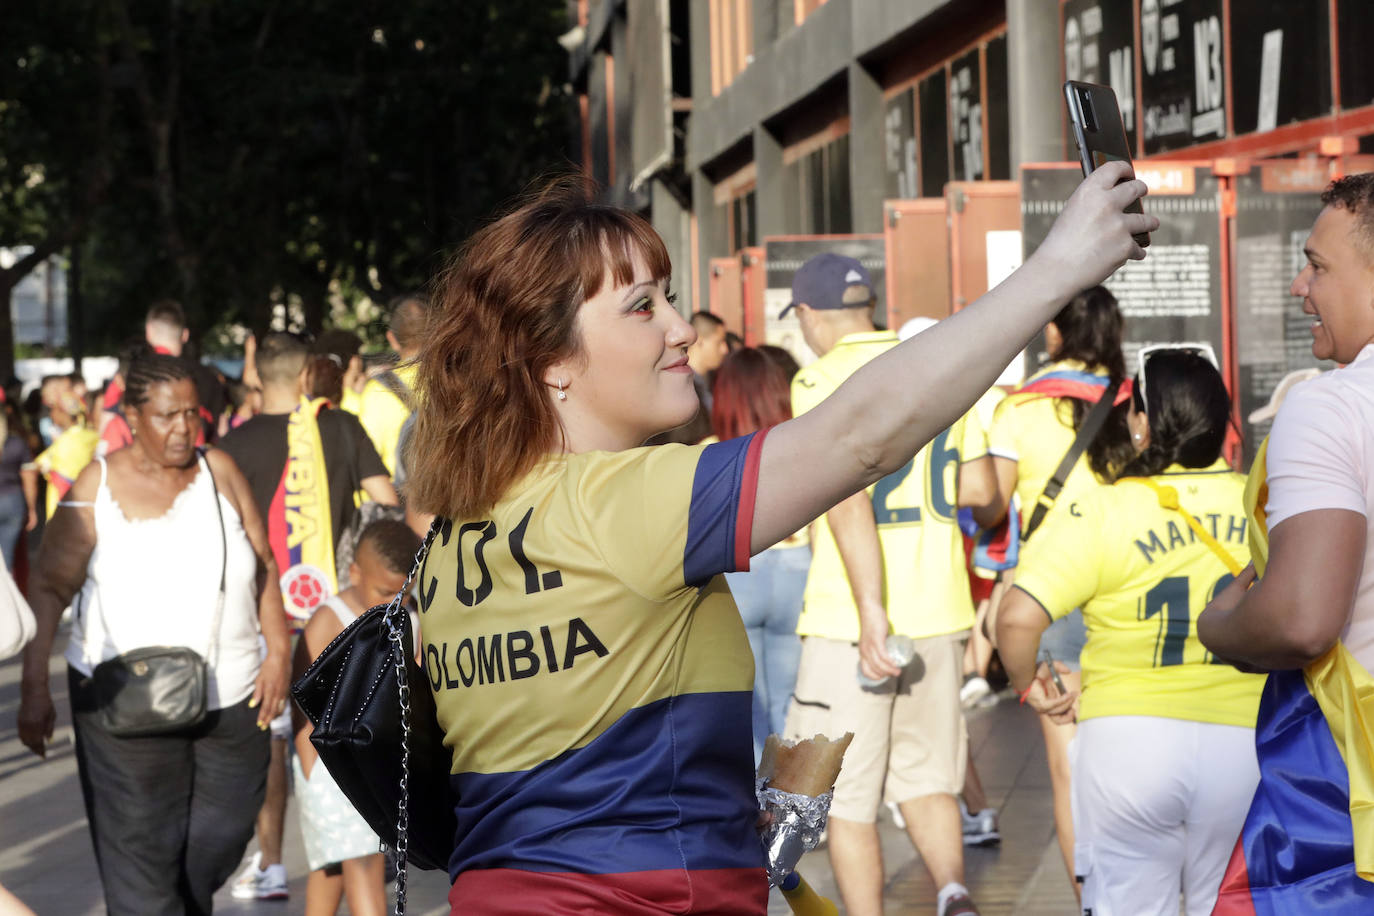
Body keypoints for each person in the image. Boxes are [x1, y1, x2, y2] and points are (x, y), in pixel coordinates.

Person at [402, 167, 1151, 914]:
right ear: (552, 362)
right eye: (641, 307)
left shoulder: (451, 541)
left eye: (668, 295)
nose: (681, 327)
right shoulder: (625, 498)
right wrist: (1058, 268)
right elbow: (860, 438)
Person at [16, 353, 291, 915]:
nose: (184, 428)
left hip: (233, 695)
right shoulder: (97, 482)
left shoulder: (220, 471)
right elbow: (48, 588)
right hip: (122, 703)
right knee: (142, 864)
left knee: (220, 836)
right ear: (133, 416)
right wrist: (34, 687)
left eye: (193, 413)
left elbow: (263, 566)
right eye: (168, 415)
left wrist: (280, 651)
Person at [998, 347, 1263, 915]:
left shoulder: (1104, 509)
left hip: (1127, 741)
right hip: (1245, 742)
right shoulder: (1262, 505)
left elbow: (1018, 616)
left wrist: (1032, 686)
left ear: (1142, 422)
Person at [778, 254, 1001, 916]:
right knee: (928, 778)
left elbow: (844, 499)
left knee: (847, 798)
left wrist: (872, 608)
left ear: (812, 317)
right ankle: (955, 894)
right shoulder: (935, 371)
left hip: (852, 623)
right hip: (939, 610)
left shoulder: (817, 381)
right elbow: (985, 493)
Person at [1199, 174, 1374, 911]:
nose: (1301, 285)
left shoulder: (1333, 406)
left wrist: (1221, 625)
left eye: (1319, 265)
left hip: (1343, 802)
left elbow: (1303, 619)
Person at [219, 332, 396, 901]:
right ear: (304, 378)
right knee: (342, 736)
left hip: (265, 625)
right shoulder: (340, 427)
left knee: (277, 742)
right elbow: (385, 501)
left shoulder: (233, 446)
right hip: (339, 621)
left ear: (257, 378)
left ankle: (271, 861)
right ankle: (359, 836)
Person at [983, 284, 1135, 889]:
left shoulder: (1017, 408)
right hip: (1128, 590)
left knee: (1068, 764)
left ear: (1055, 334)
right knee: (1130, 753)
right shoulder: (1133, 403)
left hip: (1054, 595)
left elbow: (994, 507)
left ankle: (1091, 899)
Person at [292, 518, 421, 916]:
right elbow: (302, 704)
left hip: (382, 765)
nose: (395, 602)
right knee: (363, 865)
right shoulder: (330, 618)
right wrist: (313, 773)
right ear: (354, 573)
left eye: (404, 592)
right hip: (335, 771)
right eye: (385, 591)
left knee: (333, 869)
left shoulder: (411, 613)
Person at [710, 346, 810, 761]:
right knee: (792, 704)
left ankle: (759, 806)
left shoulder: (708, 451)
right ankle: (799, 805)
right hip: (796, 568)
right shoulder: (795, 446)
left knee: (748, 706)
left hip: (738, 575)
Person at [347, 294, 427, 479]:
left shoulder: (377, 391)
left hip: (401, 499)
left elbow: (367, 457)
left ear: (392, 338)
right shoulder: (457, 381)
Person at [145, 300, 227, 443]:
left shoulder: (134, 374)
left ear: (149, 331)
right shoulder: (208, 378)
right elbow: (221, 431)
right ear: (185, 335)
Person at [32, 375, 99, 521]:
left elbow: (38, 464)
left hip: (62, 497)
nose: (52, 414)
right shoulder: (90, 435)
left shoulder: (65, 442)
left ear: (63, 413)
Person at [0, 395, 37, 571]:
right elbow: (29, 478)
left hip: (11, 502)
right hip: (12, 502)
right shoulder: (17, 443)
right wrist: (31, 509)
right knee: (6, 559)